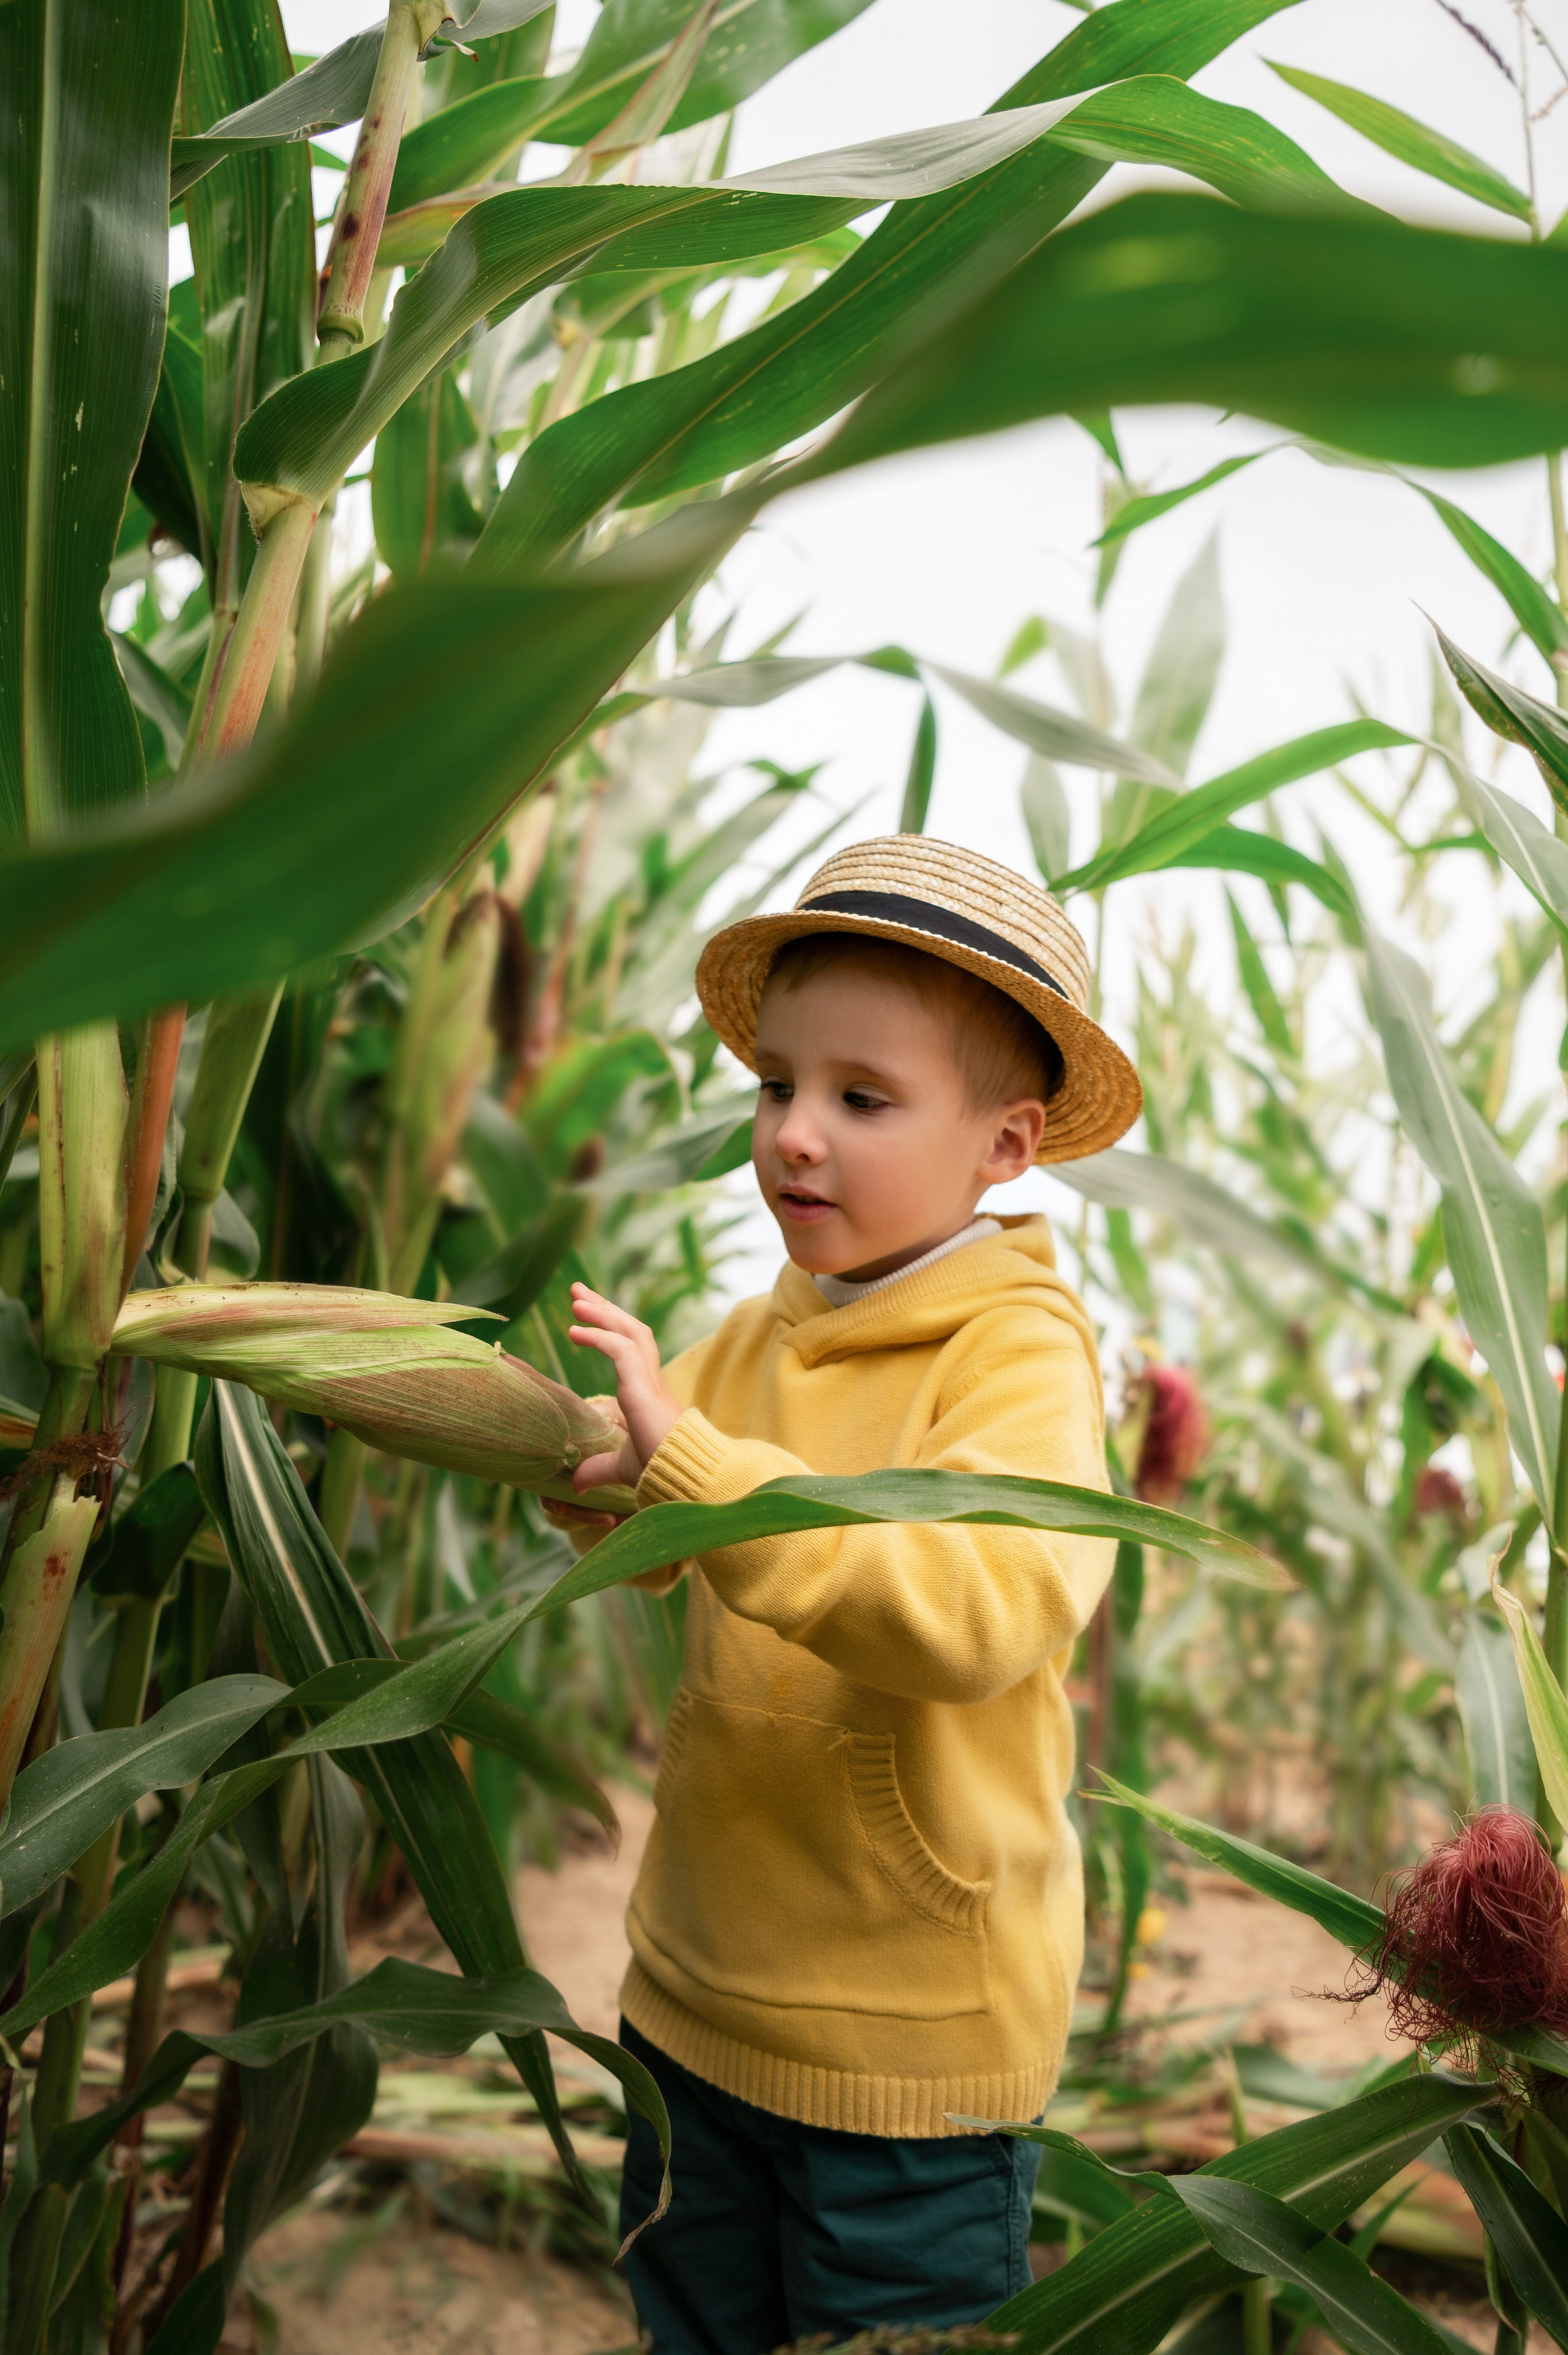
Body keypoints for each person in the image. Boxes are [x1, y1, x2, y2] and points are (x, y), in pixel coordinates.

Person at [555, 836, 1142, 2354]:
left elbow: (983, 1609)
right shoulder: (751, 1335)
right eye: (775, 1086)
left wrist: (685, 1465)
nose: (793, 1136)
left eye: (859, 1099)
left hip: (909, 2071)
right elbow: (659, 1512)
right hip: (689, 2010)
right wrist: (582, 1476)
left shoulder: (1014, 1360)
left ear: (1005, 1145)